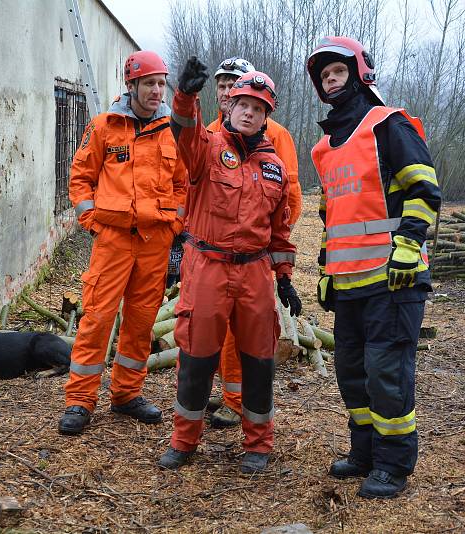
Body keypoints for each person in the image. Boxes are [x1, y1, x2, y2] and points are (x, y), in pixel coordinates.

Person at [306, 36, 442, 498]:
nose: (330, 81)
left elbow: (424, 190)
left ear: (361, 73)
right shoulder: (324, 147)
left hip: (393, 279)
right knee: (352, 373)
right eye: (324, 77)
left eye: (337, 72)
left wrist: (409, 243)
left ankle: (393, 465)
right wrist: (327, 267)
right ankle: (363, 453)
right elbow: (334, 215)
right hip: (349, 285)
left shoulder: (388, 125)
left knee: (386, 374)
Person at [157, 57, 302, 474]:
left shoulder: (274, 167)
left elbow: (281, 232)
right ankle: (184, 440)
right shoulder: (206, 147)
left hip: (255, 271)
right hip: (208, 265)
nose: (248, 112)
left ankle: (258, 443)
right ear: (229, 106)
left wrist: (286, 279)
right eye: (242, 104)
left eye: (257, 108)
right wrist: (184, 95)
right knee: (197, 356)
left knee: (259, 359)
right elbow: (182, 132)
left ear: (265, 117)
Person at [58, 50, 187, 435]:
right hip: (113, 240)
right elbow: (80, 179)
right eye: (149, 83)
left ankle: (127, 393)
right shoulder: (104, 127)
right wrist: (92, 220)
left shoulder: (172, 131)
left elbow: (184, 185)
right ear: (130, 86)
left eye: (162, 83)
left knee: (141, 321)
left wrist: (175, 225)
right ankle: (80, 401)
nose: (156, 90)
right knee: (97, 317)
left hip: (155, 241)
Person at [205, 57, 303, 429]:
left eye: (234, 82)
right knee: (204, 331)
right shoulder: (212, 131)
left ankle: (237, 399)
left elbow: (287, 191)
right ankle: (226, 391)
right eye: (223, 83)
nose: (227, 90)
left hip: (253, 253)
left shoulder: (273, 132)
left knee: (243, 334)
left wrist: (280, 253)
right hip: (212, 253)